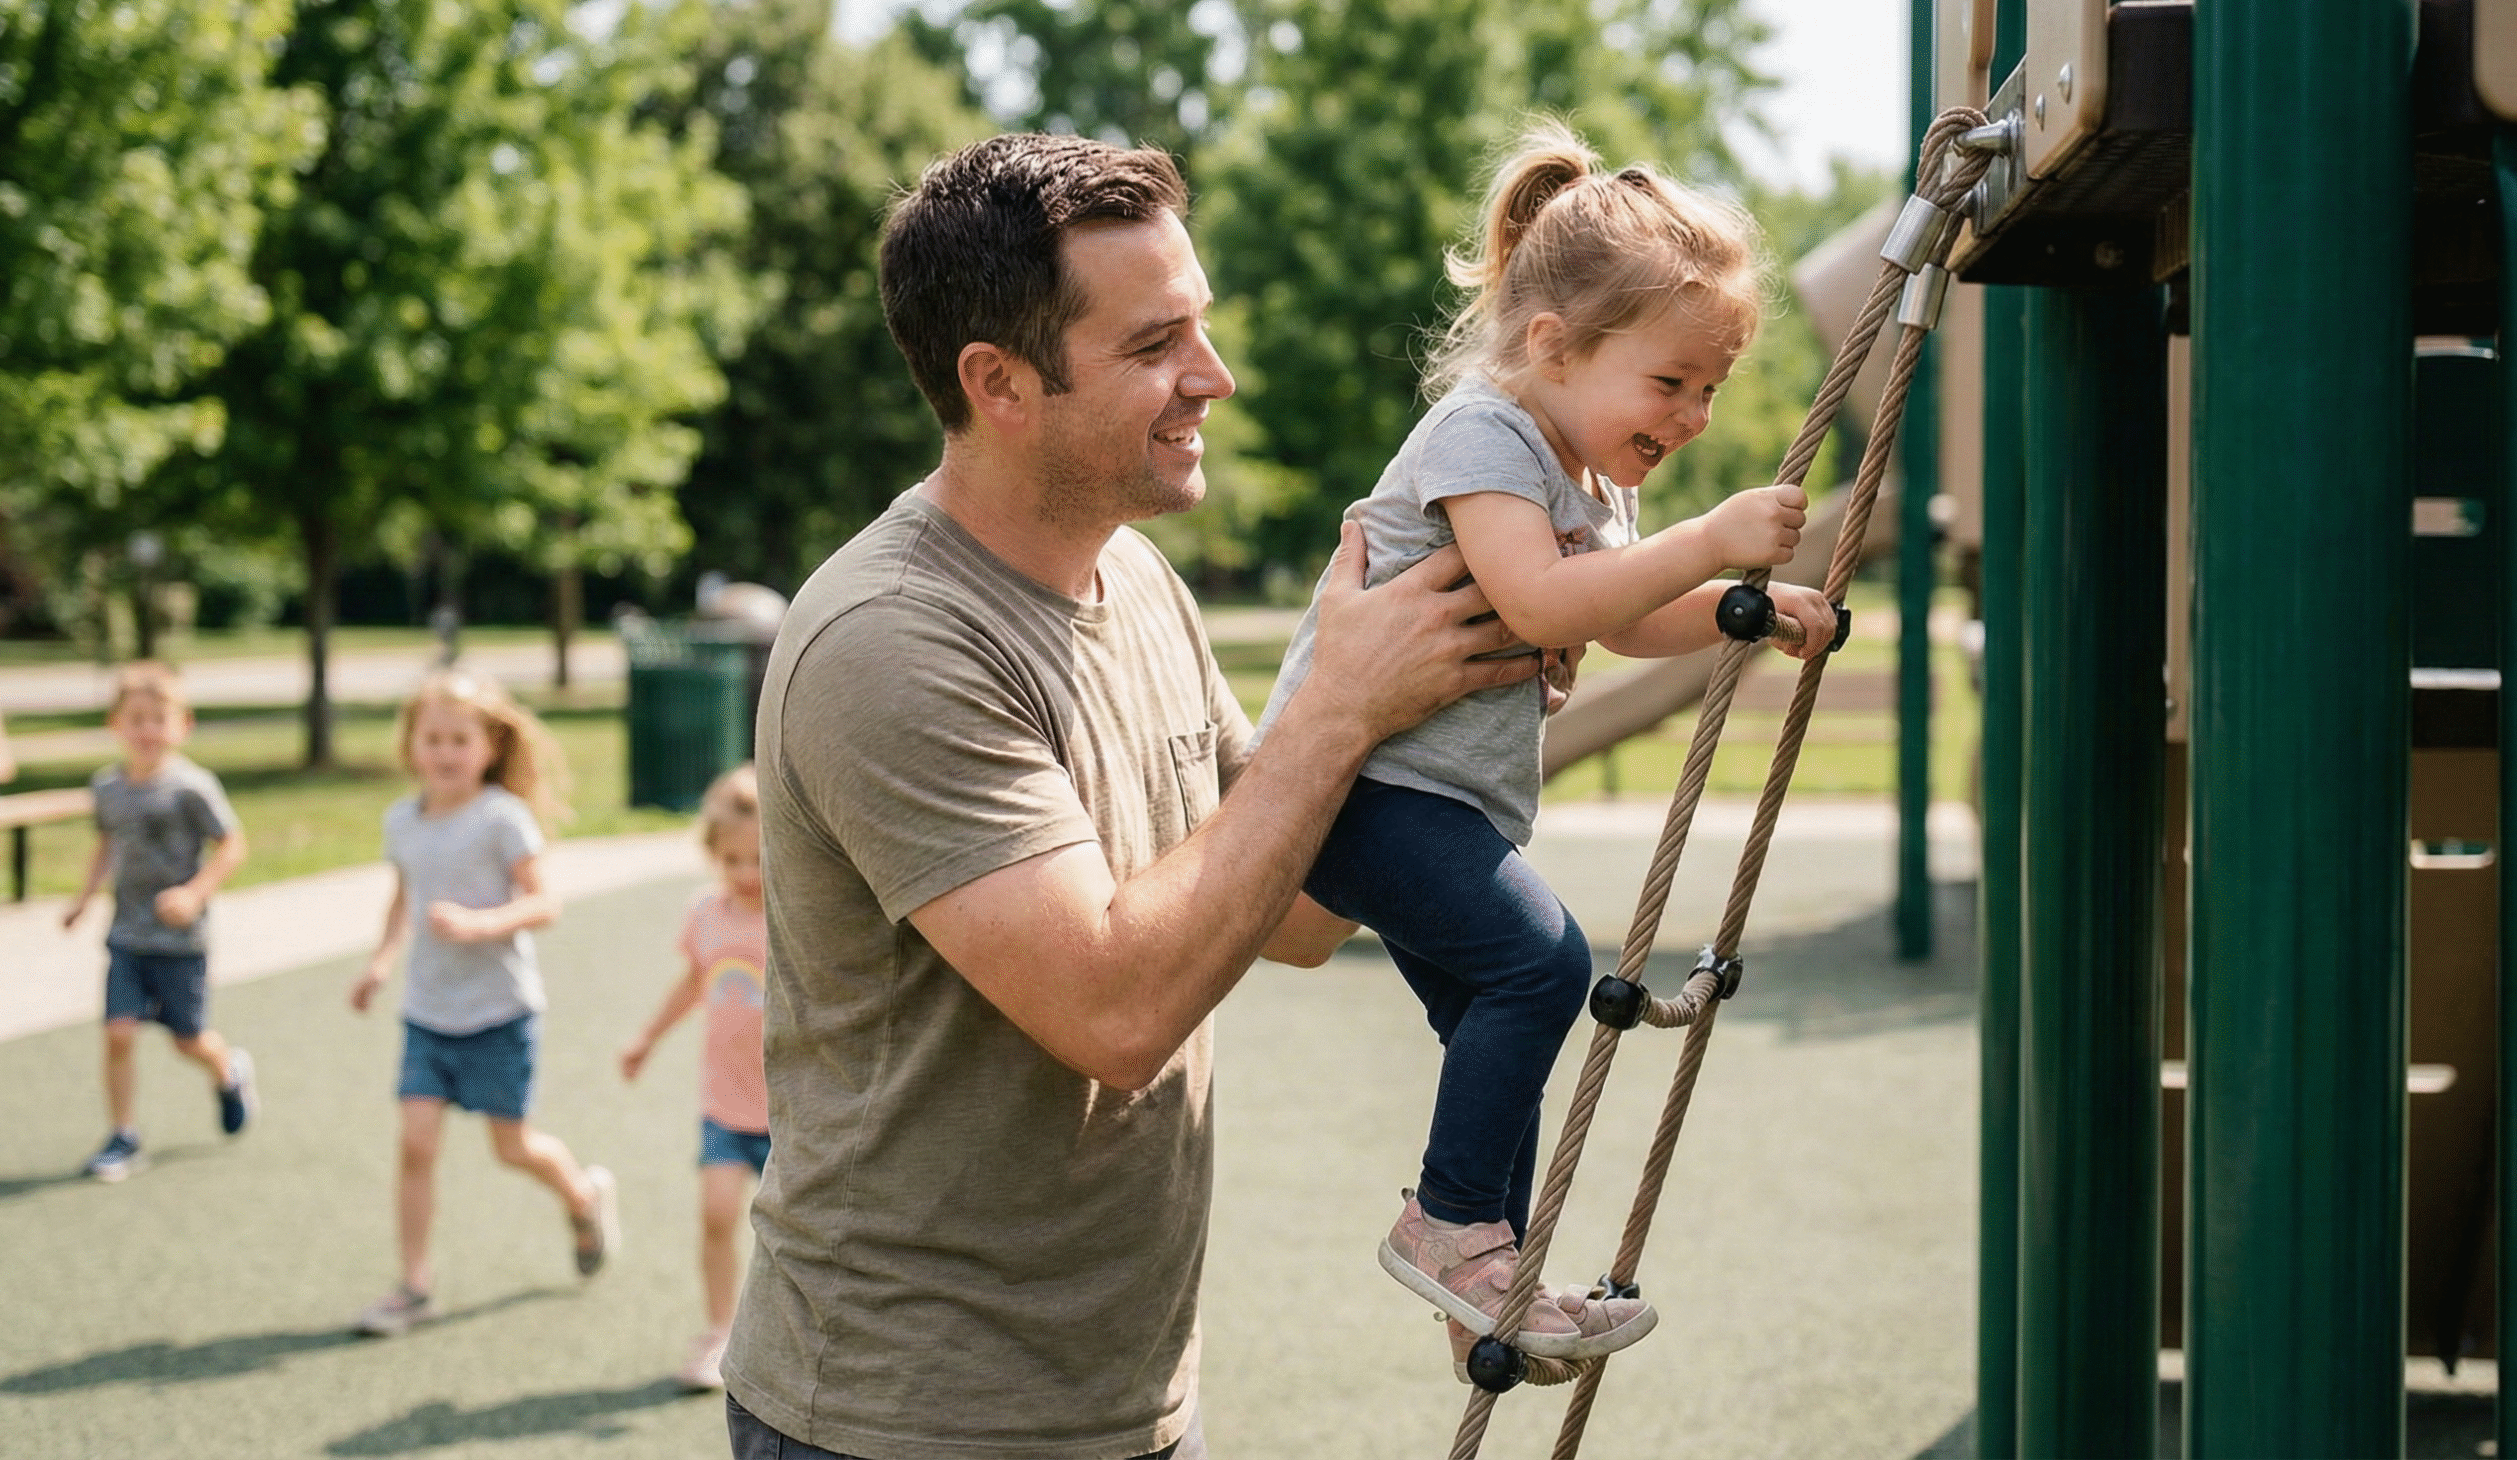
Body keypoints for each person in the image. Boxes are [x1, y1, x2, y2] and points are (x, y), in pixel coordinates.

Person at [722, 132, 1546, 1460]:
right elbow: (1115, 1009)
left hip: (1125, 1399)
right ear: (997, 382)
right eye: (1157, 344)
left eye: (1201, 327)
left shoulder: (1139, 581)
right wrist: (1340, 702)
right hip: (901, 1420)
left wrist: (1484, 669)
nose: (1211, 377)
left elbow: (1291, 910)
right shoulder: (888, 639)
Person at [1253, 121, 1839, 1376]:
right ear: (1552, 346)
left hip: (1437, 800)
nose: (1692, 414)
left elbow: (1617, 616)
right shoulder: (1485, 437)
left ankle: (1490, 1264)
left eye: (1711, 387)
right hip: (1362, 783)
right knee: (1541, 963)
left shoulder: (1584, 471)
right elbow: (1538, 602)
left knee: (1496, 1009)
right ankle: (1451, 1222)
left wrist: (1748, 608)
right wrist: (1713, 544)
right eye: (1670, 381)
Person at [345, 670, 617, 1336]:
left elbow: (544, 902)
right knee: (415, 1142)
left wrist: (479, 923)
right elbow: (401, 899)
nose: (444, 751)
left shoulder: (502, 818)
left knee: (513, 1146)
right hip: (427, 1012)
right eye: (431, 738)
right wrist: (381, 962)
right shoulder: (402, 821)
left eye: (459, 738)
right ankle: (414, 1286)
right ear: (412, 745)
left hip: (500, 1012)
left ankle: (583, 1196)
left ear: (489, 746)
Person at [63, 661, 256, 1182]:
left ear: (182, 725)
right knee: (118, 1033)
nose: (147, 729)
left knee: (187, 1040)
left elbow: (233, 844)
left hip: (181, 942)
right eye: (136, 718)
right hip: (127, 936)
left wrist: (195, 893)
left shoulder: (193, 787)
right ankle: (123, 1136)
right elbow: (106, 845)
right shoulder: (106, 787)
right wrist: (83, 900)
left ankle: (227, 1070)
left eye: (158, 718)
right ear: (116, 724)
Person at [619, 764, 768, 1391]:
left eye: (760, 860)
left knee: (806, 1239)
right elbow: (693, 983)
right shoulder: (706, 914)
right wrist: (646, 1039)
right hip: (726, 1107)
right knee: (717, 1214)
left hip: (795, 1111)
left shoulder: (800, 914)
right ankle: (718, 1332)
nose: (745, 874)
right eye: (731, 860)